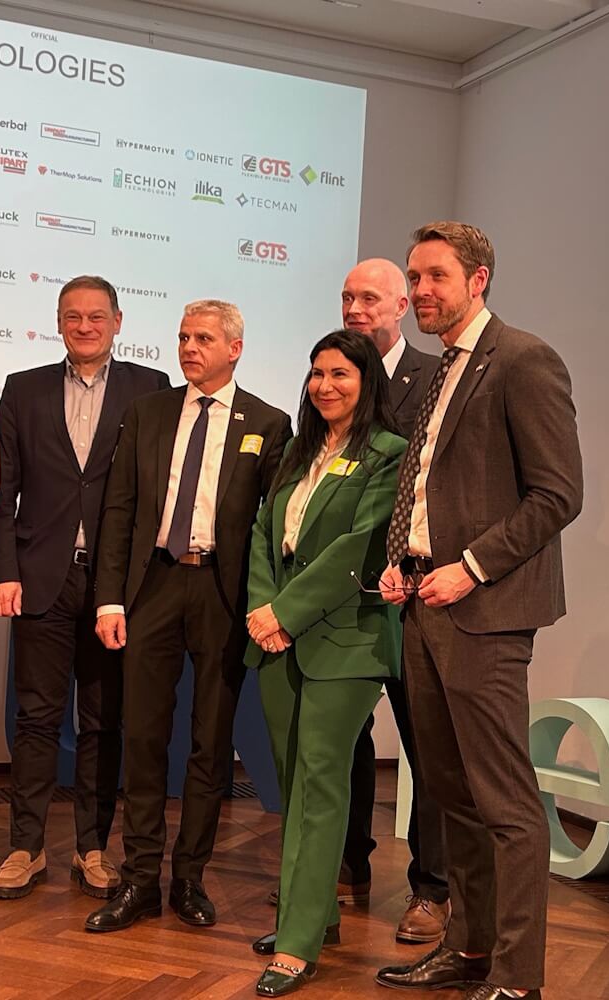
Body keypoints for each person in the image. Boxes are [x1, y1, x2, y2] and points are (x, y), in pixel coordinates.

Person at [375, 223, 582, 1000]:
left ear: (478, 279)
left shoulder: (524, 361)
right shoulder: (439, 372)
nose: (421, 290)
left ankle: (518, 979)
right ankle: (467, 950)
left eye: (434, 277)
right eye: (414, 277)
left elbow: (558, 493)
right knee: (449, 794)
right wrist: (403, 561)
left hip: (486, 611)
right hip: (425, 606)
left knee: (505, 805)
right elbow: (426, 486)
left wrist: (471, 567)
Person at [84, 299, 291, 934]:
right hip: (153, 586)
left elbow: (272, 524)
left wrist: (267, 602)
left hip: (222, 596)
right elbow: (118, 510)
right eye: (182, 337)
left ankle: (190, 878)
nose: (189, 348)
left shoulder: (270, 422)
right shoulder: (147, 413)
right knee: (143, 735)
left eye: (203, 338)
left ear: (235, 347)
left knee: (210, 742)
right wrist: (109, 597)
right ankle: (140, 878)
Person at [0, 276, 169, 901]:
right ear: (57, 322)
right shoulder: (23, 388)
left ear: (118, 321)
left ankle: (92, 849)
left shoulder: (151, 389)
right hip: (40, 577)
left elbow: (153, 494)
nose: (84, 326)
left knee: (102, 723)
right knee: (35, 718)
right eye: (72, 316)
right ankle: (25, 847)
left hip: (115, 585)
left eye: (96, 316)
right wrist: (2, 570)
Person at [244, 330, 407, 996]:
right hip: (276, 638)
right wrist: (263, 610)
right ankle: (308, 915)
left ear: (367, 381)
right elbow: (263, 533)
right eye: (315, 374)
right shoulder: (296, 451)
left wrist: (286, 612)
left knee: (320, 784)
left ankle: (299, 941)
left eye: (339, 373)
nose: (324, 385)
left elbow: (360, 546)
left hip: (346, 643)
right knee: (294, 784)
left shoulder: (389, 455)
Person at [337, 258, 450, 944]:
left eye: (369, 297)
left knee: (426, 748)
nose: (355, 307)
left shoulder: (435, 379)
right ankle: (344, 868)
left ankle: (431, 891)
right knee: (342, 741)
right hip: (343, 598)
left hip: (412, 599)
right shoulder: (332, 376)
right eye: (348, 296)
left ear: (400, 305)